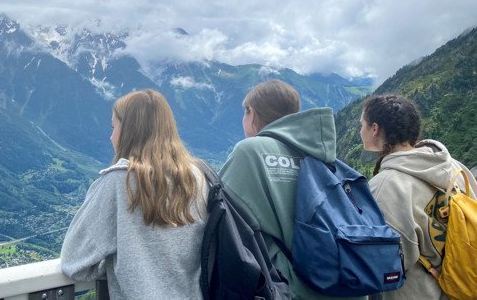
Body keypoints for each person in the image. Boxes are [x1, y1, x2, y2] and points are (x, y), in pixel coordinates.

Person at [219, 79, 364, 300]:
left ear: (251, 112)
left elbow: (219, 220)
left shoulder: (249, 152)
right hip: (343, 286)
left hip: (287, 289)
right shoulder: (324, 157)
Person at [60, 89, 208, 299]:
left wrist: (119, 260)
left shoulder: (119, 181)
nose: (111, 136)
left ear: (129, 131)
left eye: (114, 127)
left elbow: (74, 262)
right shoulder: (199, 177)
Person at [359, 94, 477, 300]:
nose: (360, 131)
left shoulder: (384, 186)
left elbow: (384, 266)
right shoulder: (457, 168)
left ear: (375, 129)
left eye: (362, 125)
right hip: (464, 287)